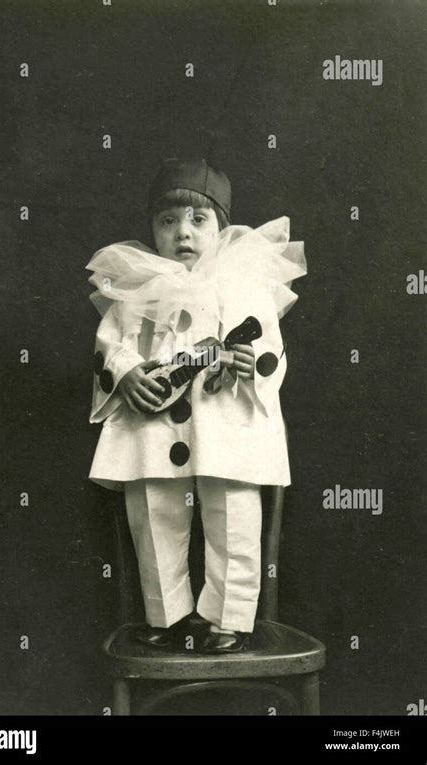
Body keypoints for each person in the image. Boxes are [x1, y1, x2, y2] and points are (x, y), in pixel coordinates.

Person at [85, 158, 307, 653]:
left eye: (197, 220)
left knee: (232, 512)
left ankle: (229, 618)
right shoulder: (135, 283)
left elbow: (269, 345)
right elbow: (110, 342)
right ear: (153, 228)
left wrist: (253, 361)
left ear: (221, 228)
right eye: (168, 222)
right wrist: (124, 372)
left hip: (225, 421)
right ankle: (165, 615)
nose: (182, 233)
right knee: (152, 513)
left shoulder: (243, 280)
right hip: (152, 426)